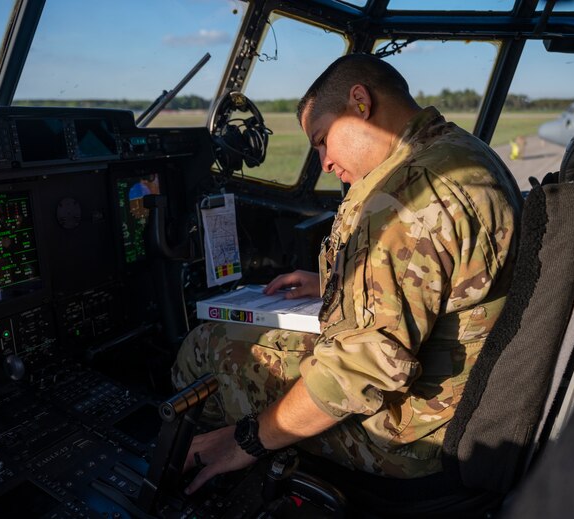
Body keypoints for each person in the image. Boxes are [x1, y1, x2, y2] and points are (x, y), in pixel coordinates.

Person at [172, 54, 522, 495]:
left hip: (409, 433)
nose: (323, 163)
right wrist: (331, 284)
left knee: (207, 344)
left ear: (360, 101)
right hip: (460, 399)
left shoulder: (407, 194)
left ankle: (199, 468)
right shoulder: (456, 153)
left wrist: (246, 439)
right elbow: (441, 276)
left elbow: (363, 366)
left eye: (322, 140)